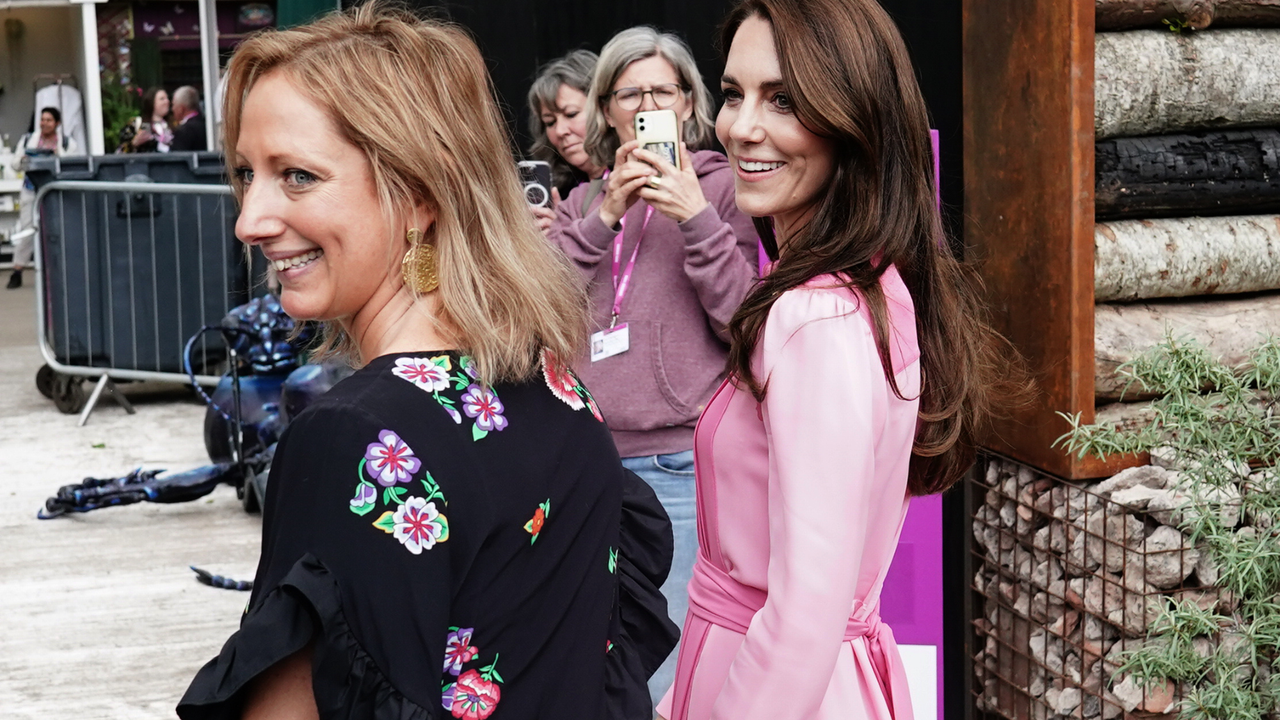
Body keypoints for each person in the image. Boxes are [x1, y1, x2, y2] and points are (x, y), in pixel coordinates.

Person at [177, 6, 675, 720]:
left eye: (296, 176)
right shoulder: (561, 394)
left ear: (417, 193)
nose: (249, 219)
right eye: (245, 174)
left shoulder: (357, 438)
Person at [656, 1, 1027, 719]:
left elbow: (802, 619)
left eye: (785, 99)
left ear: (852, 122)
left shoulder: (814, 316)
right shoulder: (861, 286)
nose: (741, 127)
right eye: (734, 94)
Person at [547, 25, 759, 704]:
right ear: (606, 108)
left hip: (677, 463)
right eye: (629, 92)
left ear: (688, 103)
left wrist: (695, 218)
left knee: (668, 655)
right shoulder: (583, 201)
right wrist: (604, 215)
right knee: (587, 647)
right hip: (585, 458)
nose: (645, 104)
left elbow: (746, 322)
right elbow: (540, 311)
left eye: (660, 91)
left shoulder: (724, 189)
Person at [527, 50, 604, 233]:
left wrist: (566, 234)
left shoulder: (635, 179)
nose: (560, 131)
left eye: (571, 114)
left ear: (605, 110)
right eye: (550, 122)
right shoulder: (558, 192)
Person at [8, 107, 78, 289]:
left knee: (57, 230)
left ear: (57, 123)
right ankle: (17, 270)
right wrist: (23, 159)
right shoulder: (28, 140)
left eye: (48, 120)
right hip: (31, 189)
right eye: (42, 119)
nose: (44, 123)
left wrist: (57, 155)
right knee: (27, 229)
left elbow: (71, 165)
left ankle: (60, 270)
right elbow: (15, 165)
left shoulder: (66, 143)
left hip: (54, 190)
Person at [119, 87, 174, 153]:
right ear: (152, 102)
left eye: (167, 98)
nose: (167, 101)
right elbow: (120, 152)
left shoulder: (173, 125)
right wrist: (134, 143)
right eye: (162, 99)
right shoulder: (137, 123)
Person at [169, 85, 207, 151]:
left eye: (173, 105)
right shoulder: (205, 123)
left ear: (181, 109)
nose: (172, 109)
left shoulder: (184, 131)